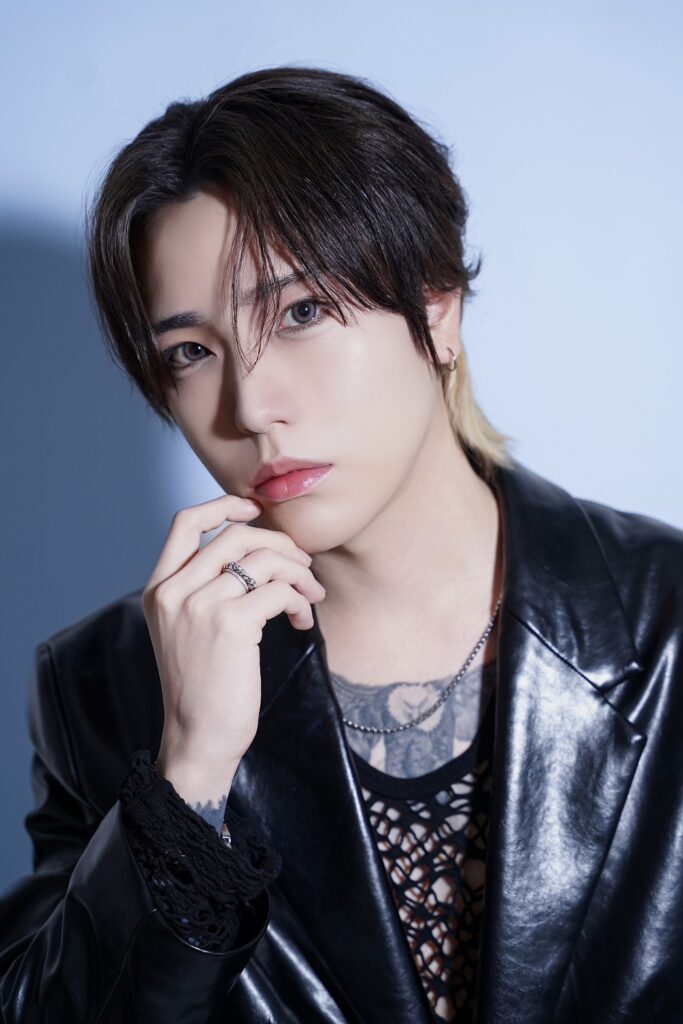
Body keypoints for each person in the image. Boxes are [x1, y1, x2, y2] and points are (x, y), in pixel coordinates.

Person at [0, 65, 681, 1024]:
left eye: (301, 313)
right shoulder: (98, 688)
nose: (249, 407)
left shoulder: (666, 620)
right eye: (191, 353)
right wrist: (188, 779)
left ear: (435, 307)